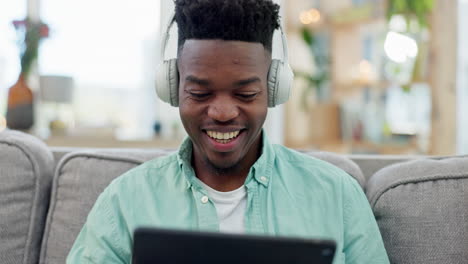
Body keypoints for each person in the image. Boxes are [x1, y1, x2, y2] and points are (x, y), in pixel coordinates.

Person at [67, 0, 389, 263]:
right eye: (200, 93)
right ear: (173, 87)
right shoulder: (124, 202)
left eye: (245, 94)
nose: (222, 113)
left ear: (274, 89)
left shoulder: (337, 196)